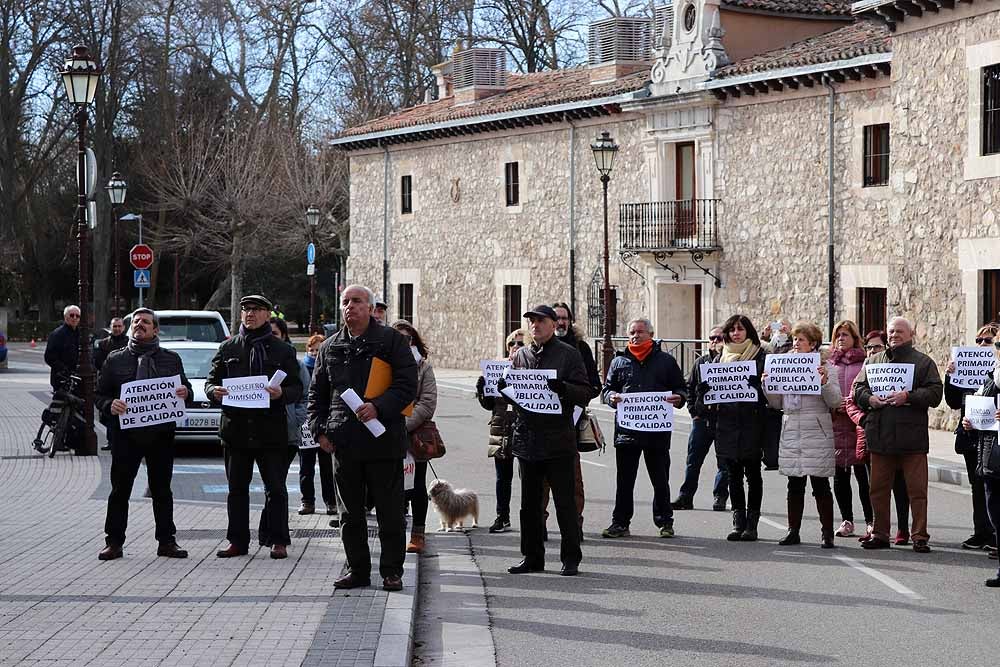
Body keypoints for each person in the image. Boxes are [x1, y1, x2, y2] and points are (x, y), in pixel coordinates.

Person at [308, 285, 417, 591]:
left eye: (357, 301)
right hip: (345, 444)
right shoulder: (330, 347)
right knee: (350, 515)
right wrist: (320, 430)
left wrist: (378, 407)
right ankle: (357, 570)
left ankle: (391, 571)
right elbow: (317, 394)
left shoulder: (391, 341)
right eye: (345, 302)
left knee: (390, 513)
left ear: (370, 308)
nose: (350, 307)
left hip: (384, 441)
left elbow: (407, 385)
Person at [207, 294, 304, 560]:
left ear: (267, 315)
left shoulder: (282, 350)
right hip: (236, 431)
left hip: (270, 431)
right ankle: (237, 541)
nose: (250, 314)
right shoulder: (228, 349)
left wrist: (280, 394)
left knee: (276, 488)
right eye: (246, 310)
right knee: (237, 489)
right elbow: (210, 382)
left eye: (256, 310)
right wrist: (213, 391)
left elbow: (296, 388)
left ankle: (278, 540)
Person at [499, 305, 592, 577]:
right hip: (527, 440)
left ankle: (571, 558)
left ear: (553, 325)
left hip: (558, 441)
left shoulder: (568, 355)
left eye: (540, 321)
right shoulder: (522, 356)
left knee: (565, 503)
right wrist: (499, 388)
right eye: (531, 322)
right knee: (529, 505)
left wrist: (562, 388)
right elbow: (513, 393)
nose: (535, 326)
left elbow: (585, 392)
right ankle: (531, 557)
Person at [95, 308, 192, 560]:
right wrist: (110, 405)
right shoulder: (115, 359)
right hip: (126, 437)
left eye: (145, 322)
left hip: (160, 436)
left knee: (162, 490)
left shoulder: (171, 359)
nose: (140, 325)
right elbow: (99, 394)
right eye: (136, 321)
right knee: (120, 491)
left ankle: (167, 542)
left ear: (155, 330)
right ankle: (114, 542)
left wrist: (184, 393)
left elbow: (187, 391)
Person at [854, 316, 943, 552]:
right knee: (878, 490)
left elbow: (935, 393)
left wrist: (909, 396)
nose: (894, 335)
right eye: (891, 331)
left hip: (912, 440)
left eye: (899, 332)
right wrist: (869, 399)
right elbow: (857, 390)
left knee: (917, 491)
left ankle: (919, 536)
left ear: (911, 334)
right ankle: (880, 534)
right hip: (880, 437)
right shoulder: (873, 362)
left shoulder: (923, 363)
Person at [601, 318, 686, 538]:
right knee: (625, 480)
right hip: (627, 432)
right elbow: (606, 389)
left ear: (651, 334)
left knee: (660, 480)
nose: (635, 336)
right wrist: (612, 397)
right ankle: (620, 523)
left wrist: (679, 398)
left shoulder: (666, 361)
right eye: (631, 332)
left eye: (640, 332)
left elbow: (680, 387)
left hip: (656, 431)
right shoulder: (619, 362)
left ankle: (665, 522)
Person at [764, 321, 842, 548]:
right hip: (791, 429)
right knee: (794, 484)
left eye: (801, 340)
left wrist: (824, 381)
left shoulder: (827, 367)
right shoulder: (784, 366)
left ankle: (827, 533)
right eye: (795, 339)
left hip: (816, 429)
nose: (796, 344)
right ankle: (793, 530)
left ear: (813, 344)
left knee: (820, 485)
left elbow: (835, 401)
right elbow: (777, 403)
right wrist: (768, 385)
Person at [847, 330, 911, 544]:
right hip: (872, 435)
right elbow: (852, 400)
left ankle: (903, 529)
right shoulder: (866, 369)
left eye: (876, 347)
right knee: (874, 486)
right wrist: (864, 418)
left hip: (899, 434)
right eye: (869, 347)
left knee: (900, 485)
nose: (872, 350)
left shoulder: (901, 369)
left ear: (886, 348)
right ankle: (876, 527)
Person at [543, 302, 601, 537]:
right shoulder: (534, 350)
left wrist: (569, 393)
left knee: (572, 481)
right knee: (539, 483)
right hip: (540, 426)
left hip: (570, 424)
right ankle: (540, 525)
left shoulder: (580, 349)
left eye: (565, 318)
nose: (561, 322)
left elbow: (593, 386)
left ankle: (574, 526)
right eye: (556, 318)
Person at [945, 323, 999, 551]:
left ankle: (996, 534)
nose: (982, 345)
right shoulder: (965, 367)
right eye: (979, 341)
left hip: (994, 438)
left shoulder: (996, 371)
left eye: (988, 341)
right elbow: (954, 401)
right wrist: (950, 377)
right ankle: (982, 532)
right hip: (971, 434)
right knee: (978, 486)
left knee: (994, 486)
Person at [714, 314, 767, 542]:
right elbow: (705, 397)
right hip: (726, 424)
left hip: (752, 423)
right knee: (733, 474)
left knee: (753, 475)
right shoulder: (718, 360)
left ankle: (752, 525)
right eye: (732, 330)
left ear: (749, 332)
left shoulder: (760, 356)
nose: (736, 333)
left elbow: (769, 392)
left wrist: (759, 385)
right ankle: (738, 522)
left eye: (741, 329)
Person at [673, 325, 729, 511]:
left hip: (723, 420)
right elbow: (690, 387)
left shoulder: (733, 363)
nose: (714, 341)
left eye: (719, 338)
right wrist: (693, 412)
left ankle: (720, 496)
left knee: (724, 462)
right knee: (693, 460)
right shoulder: (701, 362)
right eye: (712, 338)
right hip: (702, 419)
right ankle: (686, 496)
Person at [393, 320, 437, 555]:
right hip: (388, 433)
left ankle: (418, 533)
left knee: (417, 485)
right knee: (394, 486)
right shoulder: (384, 363)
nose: (404, 342)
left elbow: (427, 401)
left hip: (414, 434)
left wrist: (405, 425)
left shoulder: (423, 367)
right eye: (398, 337)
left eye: (408, 338)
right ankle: (396, 530)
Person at [476, 328, 527, 533]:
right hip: (501, 428)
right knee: (502, 477)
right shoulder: (496, 369)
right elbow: (490, 404)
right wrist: (482, 391)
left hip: (523, 427)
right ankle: (502, 516)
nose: (515, 347)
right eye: (512, 344)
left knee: (528, 478)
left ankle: (530, 519)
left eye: (521, 344)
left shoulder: (530, 369)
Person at [959, 344, 1000, 587]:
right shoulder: (990, 377)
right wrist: (971, 422)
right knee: (996, 514)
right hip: (991, 459)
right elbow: (980, 413)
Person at [829, 320, 873, 539]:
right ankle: (846, 520)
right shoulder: (829, 364)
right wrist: (832, 405)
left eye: (845, 334)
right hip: (836, 426)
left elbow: (868, 391)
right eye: (837, 335)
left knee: (863, 478)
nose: (840, 339)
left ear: (855, 338)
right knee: (840, 477)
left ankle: (871, 521)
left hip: (858, 426)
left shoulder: (865, 364)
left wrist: (852, 404)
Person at [298, 334, 338, 518]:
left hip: (324, 422)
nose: (314, 353)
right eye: (311, 350)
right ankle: (307, 501)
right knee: (306, 466)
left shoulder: (329, 367)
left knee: (326, 467)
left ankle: (331, 502)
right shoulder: (301, 368)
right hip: (305, 424)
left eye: (318, 350)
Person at [95, 317, 129, 450]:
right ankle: (111, 441)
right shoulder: (103, 344)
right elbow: (97, 362)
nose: (117, 329)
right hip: (108, 383)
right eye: (115, 326)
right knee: (108, 414)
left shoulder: (128, 343)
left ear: (124, 328)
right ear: (110, 327)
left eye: (119, 326)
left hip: (124, 382)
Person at [45, 305, 81, 390]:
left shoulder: (81, 334)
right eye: (72, 315)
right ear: (65, 317)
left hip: (78, 379)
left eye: (77, 316)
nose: (75, 318)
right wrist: (64, 370)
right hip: (62, 380)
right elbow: (49, 357)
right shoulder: (57, 334)